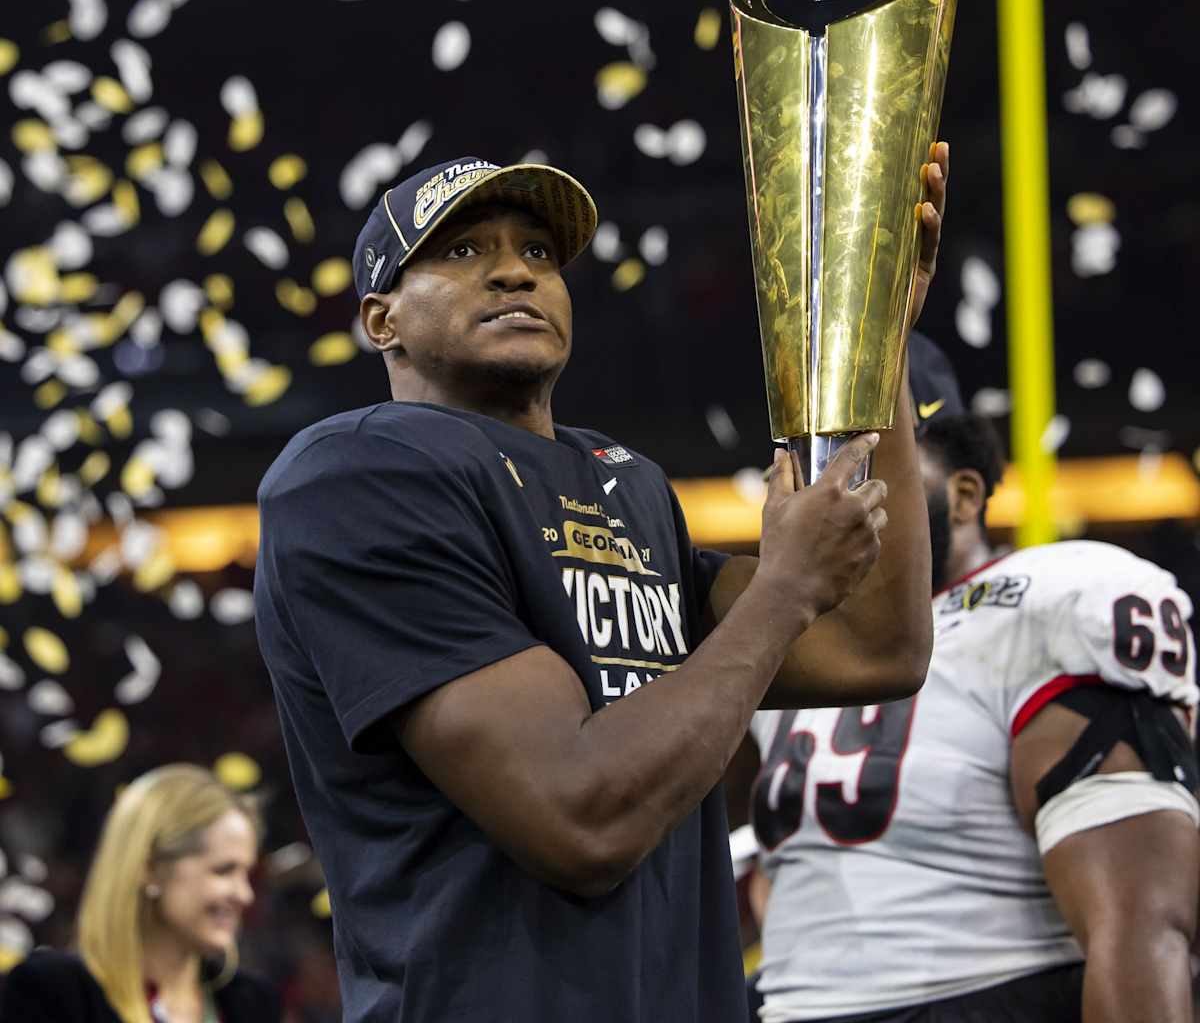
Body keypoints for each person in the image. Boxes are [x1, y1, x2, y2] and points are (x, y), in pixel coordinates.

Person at [253, 147, 950, 1022]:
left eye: (539, 254)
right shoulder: (357, 474)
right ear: (381, 319)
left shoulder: (626, 482)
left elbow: (876, 648)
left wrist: (875, 342)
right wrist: (782, 592)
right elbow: (578, 821)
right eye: (463, 251)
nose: (514, 270)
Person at [734, 382, 1199, 1023]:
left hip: (980, 996)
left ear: (963, 494)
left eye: (873, 459)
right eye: (819, 460)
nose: (836, 485)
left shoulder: (1043, 604)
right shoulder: (797, 642)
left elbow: (1141, 926)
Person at [1, 763, 280, 1023]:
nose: (245, 895)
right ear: (150, 867)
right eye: (223, 870)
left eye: (247, 874)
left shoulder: (253, 1003)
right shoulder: (50, 992)